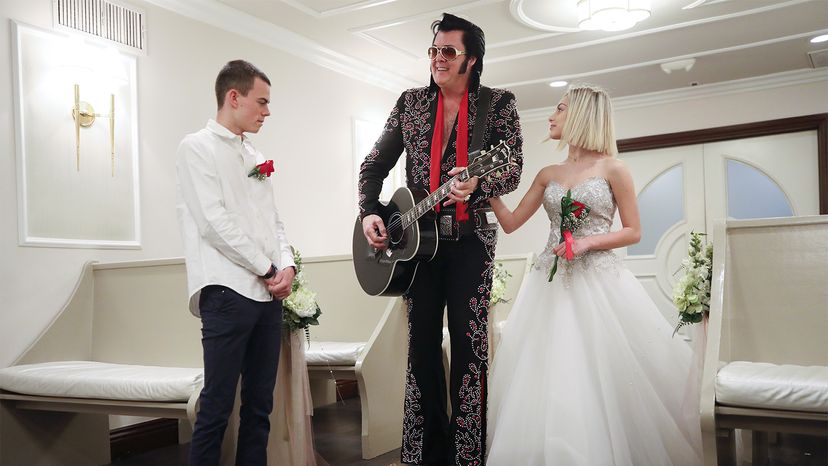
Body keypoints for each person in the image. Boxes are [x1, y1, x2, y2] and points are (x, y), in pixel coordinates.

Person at [485, 84, 702, 465]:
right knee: (549, 372)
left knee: (600, 372)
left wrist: (587, 243)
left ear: (583, 115)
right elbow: (510, 223)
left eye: (560, 108)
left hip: (599, 282)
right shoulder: (547, 173)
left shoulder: (614, 169)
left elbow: (634, 230)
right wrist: (486, 188)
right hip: (549, 286)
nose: (551, 116)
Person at [357, 13, 523, 466]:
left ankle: (467, 457)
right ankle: (425, 456)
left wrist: (479, 185)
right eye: (433, 50)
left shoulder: (499, 103)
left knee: (470, 353)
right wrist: (370, 211)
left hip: (472, 244)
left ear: (472, 59)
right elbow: (373, 165)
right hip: (414, 250)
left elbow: (513, 166)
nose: (437, 58)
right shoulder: (410, 103)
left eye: (448, 51)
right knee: (422, 352)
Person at [176, 59, 296, 466]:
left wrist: (288, 266)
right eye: (261, 101)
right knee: (216, 407)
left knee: (260, 405)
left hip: (267, 295)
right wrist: (267, 269)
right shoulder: (196, 147)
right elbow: (213, 223)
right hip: (226, 291)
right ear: (234, 97)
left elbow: (274, 221)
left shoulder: (255, 154)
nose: (267, 111)